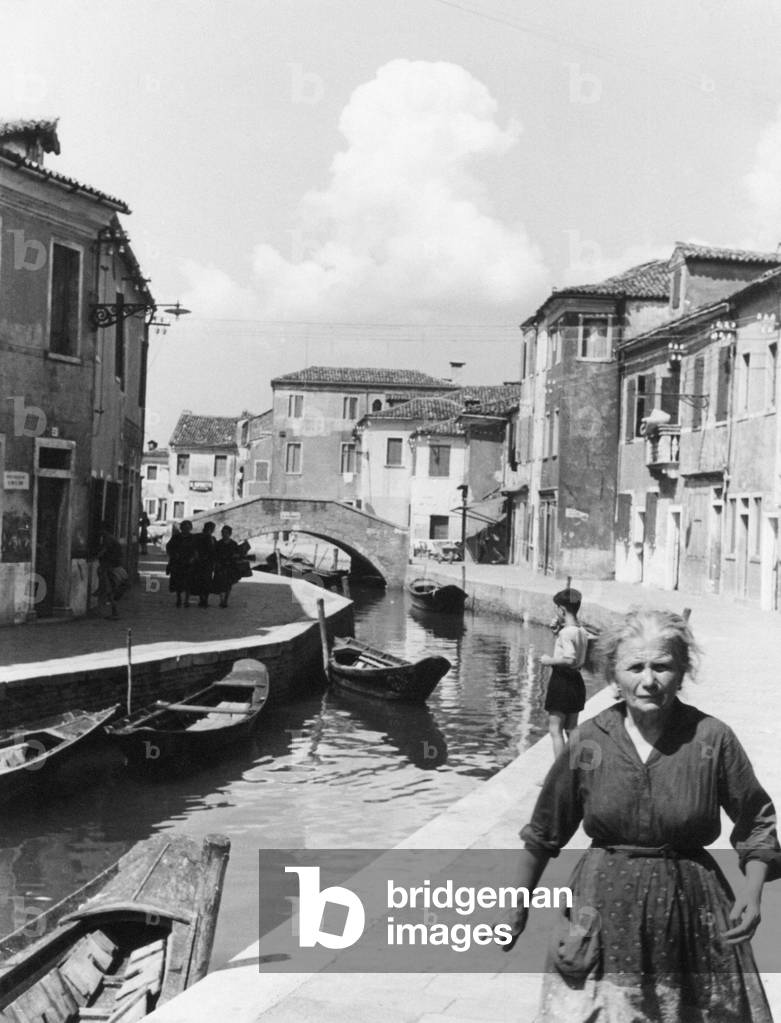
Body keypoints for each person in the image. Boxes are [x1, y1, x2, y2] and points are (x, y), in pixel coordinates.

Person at [507, 608, 780, 1022]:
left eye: (663, 666)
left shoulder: (711, 739)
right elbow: (544, 831)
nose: (648, 680)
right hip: (603, 910)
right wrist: (516, 905)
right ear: (614, 674)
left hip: (693, 913)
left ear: (683, 669)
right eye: (635, 667)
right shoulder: (588, 743)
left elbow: (757, 823)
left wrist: (753, 892)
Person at [540, 587, 589, 757]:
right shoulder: (582, 631)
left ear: (561, 610)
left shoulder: (566, 633)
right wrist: (556, 634)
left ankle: (559, 774)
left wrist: (549, 661)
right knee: (571, 729)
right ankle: (575, 769)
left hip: (561, 682)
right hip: (576, 682)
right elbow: (575, 656)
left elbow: (569, 659)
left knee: (555, 730)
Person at [95, 525, 125, 619]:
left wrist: (96, 557)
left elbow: (104, 551)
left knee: (109, 589)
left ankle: (114, 612)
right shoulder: (111, 539)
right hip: (113, 565)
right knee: (108, 589)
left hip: (110, 566)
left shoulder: (108, 539)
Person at [166, 520, 195, 607]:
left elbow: (196, 550)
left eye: (188, 528)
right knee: (178, 581)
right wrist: (174, 554)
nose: (186, 529)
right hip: (177, 562)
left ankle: (187, 600)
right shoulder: (176, 537)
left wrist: (193, 558)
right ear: (181, 528)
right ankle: (178, 598)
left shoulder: (192, 538)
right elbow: (169, 547)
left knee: (188, 582)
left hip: (189, 563)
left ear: (190, 528)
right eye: (184, 527)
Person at [189, 521, 217, 608]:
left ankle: (203, 599)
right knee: (205, 581)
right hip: (203, 563)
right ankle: (204, 600)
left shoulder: (198, 536)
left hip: (204, 563)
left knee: (203, 581)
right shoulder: (209, 538)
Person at [212, 524, 241, 608]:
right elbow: (215, 554)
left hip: (230, 566)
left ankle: (226, 600)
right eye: (223, 533)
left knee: (228, 584)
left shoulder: (233, 544)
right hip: (220, 566)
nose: (224, 534)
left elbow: (237, 554)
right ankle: (221, 600)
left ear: (229, 534)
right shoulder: (219, 543)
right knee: (220, 583)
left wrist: (235, 556)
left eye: (226, 533)